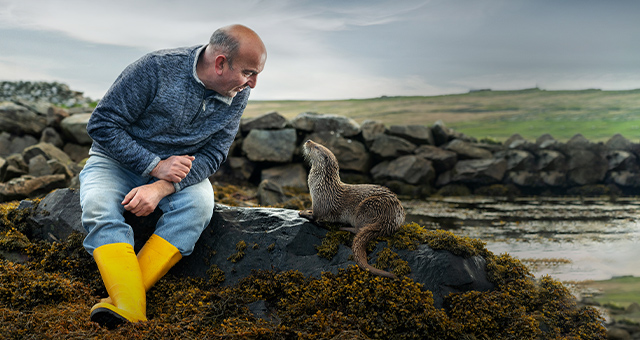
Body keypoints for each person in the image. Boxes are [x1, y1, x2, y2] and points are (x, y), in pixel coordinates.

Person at [79, 24, 267, 328]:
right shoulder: (154, 69)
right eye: (249, 72)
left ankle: (126, 300)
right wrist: (155, 165)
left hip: (178, 175)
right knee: (98, 205)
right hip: (114, 162)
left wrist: (162, 186)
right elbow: (101, 125)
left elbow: (214, 155)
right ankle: (133, 307)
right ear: (220, 63)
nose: (253, 84)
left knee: (199, 207)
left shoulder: (237, 92)